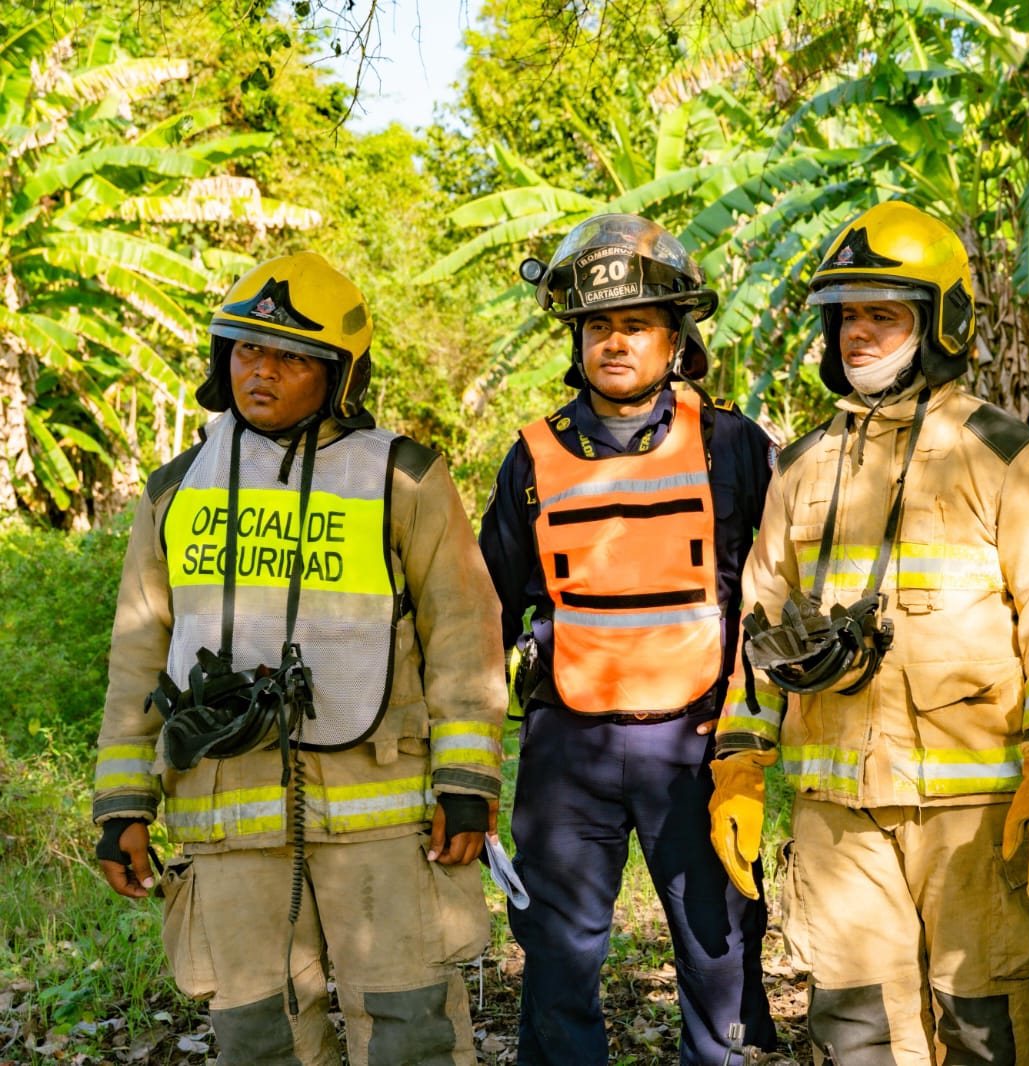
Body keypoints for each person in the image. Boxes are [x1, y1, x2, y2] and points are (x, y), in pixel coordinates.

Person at [710, 200, 1029, 1065]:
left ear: (940, 323)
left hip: (976, 816)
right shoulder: (803, 465)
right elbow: (760, 622)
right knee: (856, 1032)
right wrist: (739, 763)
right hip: (837, 814)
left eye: (881, 314)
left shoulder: (1006, 454)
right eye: (846, 315)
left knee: (985, 1028)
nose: (856, 334)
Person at [92, 251, 506, 1066]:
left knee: (409, 1028)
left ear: (339, 375)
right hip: (227, 814)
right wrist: (120, 806)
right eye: (248, 351)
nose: (263, 372)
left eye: (289, 356)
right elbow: (140, 652)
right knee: (258, 1037)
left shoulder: (404, 477)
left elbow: (464, 631)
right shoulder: (174, 491)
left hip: (382, 818)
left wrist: (465, 785)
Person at [477, 214, 777, 1066]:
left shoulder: (732, 445)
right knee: (559, 963)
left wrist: (758, 740)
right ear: (576, 337)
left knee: (718, 953)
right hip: (567, 749)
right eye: (600, 326)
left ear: (675, 337)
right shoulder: (532, 456)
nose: (617, 342)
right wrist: (458, 757)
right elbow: (487, 610)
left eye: (637, 325)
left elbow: (779, 589)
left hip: (699, 745)